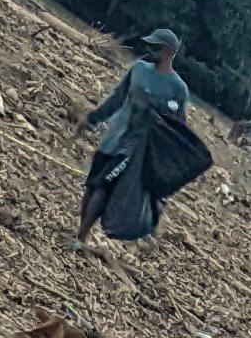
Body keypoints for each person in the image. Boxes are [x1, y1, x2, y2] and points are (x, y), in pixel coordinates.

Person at [76, 27, 209, 246]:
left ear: (168, 52)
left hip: (136, 149)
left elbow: (177, 128)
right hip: (114, 137)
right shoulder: (138, 70)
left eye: (155, 47)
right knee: (92, 185)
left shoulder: (177, 89)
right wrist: (92, 119)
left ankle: (82, 236)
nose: (149, 49)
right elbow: (117, 98)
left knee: (104, 186)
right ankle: (81, 232)